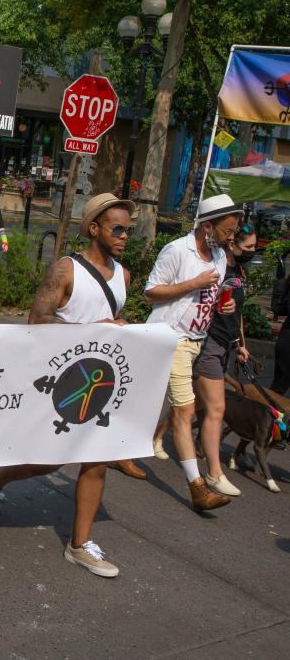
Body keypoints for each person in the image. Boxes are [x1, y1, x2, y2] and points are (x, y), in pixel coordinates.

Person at [0, 193, 136, 579]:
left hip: (100, 379)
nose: (124, 236)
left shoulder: (124, 275)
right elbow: (37, 320)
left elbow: (113, 328)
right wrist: (94, 330)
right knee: (51, 460)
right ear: (94, 228)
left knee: (97, 460)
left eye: (128, 230)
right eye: (118, 228)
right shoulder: (67, 271)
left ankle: (79, 545)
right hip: (61, 378)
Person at [145, 193, 242, 511]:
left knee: (185, 405)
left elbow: (210, 297)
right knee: (185, 412)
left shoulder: (220, 256)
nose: (232, 237)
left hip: (200, 341)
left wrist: (222, 305)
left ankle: (119, 452)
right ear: (207, 226)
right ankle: (197, 486)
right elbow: (151, 292)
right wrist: (192, 283)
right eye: (227, 231)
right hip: (172, 338)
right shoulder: (177, 250)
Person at [190, 224, 257, 497]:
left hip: (228, 344)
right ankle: (214, 472)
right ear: (233, 244)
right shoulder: (216, 269)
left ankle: (161, 436)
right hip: (210, 343)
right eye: (249, 247)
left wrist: (241, 344)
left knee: (194, 405)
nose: (253, 252)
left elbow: (237, 313)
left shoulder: (240, 271)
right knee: (216, 408)